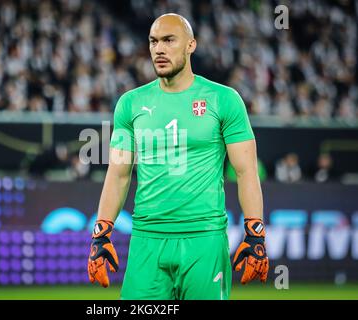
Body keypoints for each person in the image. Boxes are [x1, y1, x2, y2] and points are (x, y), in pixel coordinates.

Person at [87, 13, 269, 300]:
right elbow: (118, 174)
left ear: (191, 45)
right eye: (153, 41)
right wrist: (101, 233)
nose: (159, 49)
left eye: (169, 40)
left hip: (204, 240)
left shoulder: (224, 99)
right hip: (147, 241)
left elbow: (246, 171)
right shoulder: (130, 104)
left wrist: (255, 232)